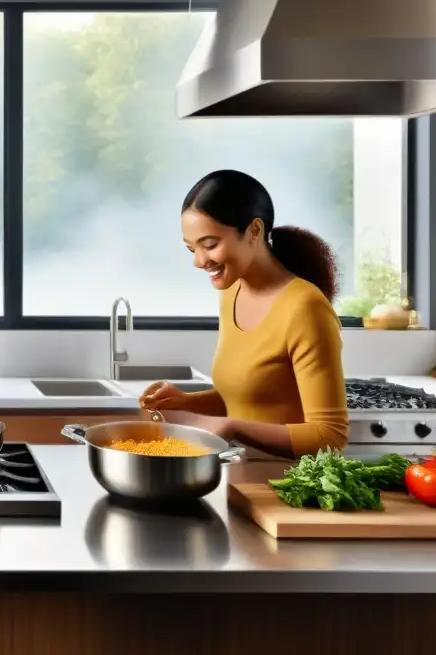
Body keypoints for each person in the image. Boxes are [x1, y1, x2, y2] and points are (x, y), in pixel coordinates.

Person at [141, 169, 349, 459]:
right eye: (191, 249)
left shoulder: (306, 308)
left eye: (210, 245)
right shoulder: (231, 291)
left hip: (285, 489)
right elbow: (249, 398)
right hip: (238, 472)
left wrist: (233, 427)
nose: (200, 261)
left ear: (254, 231)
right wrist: (186, 403)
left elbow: (329, 436)